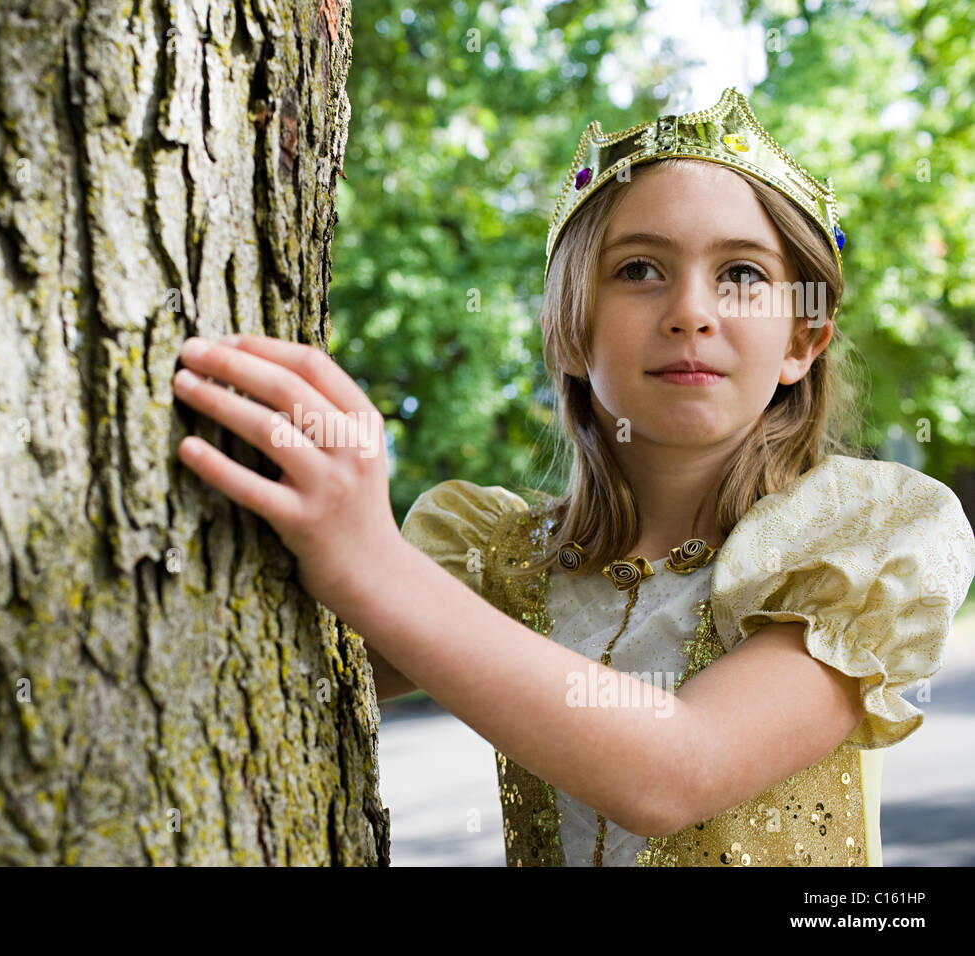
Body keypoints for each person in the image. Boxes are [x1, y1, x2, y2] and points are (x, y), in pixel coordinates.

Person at [169, 87, 975, 866]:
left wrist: (365, 558)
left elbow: (676, 770)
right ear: (568, 334)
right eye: (638, 270)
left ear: (803, 342)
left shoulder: (862, 540)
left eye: (742, 275)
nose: (692, 310)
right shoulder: (494, 559)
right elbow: (276, 674)